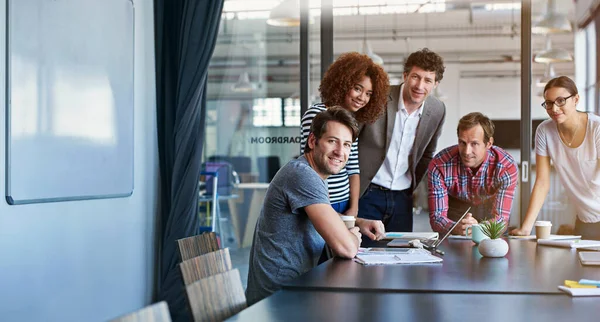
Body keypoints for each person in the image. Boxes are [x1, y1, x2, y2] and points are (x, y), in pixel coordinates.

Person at [247, 108, 386, 305]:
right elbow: (346, 248)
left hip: (294, 289)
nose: (340, 151)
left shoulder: (308, 173)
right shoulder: (302, 175)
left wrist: (359, 221)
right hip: (278, 299)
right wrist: (354, 237)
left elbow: (324, 215)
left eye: (346, 145)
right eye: (332, 141)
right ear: (313, 141)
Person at [358, 48, 446, 232]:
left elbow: (427, 154)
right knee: (361, 255)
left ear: (435, 84)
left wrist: (410, 188)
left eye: (428, 80)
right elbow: (352, 140)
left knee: (401, 256)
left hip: (402, 199)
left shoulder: (437, 110)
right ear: (405, 75)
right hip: (367, 192)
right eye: (415, 77)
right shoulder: (378, 97)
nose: (420, 86)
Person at [511, 76, 600, 239]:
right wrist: (526, 228)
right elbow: (542, 182)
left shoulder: (596, 128)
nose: (554, 108)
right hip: (585, 219)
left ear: (576, 99)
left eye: (560, 101)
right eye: (549, 103)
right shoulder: (544, 131)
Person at [300, 52, 389, 217]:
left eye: (369, 93)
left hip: (344, 202)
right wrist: (322, 203)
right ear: (342, 84)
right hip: (321, 201)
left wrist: (354, 208)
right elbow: (310, 165)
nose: (362, 98)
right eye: (357, 88)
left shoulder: (350, 121)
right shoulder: (316, 114)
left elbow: (353, 168)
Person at [428, 112, 518, 236]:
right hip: (455, 210)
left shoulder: (506, 166)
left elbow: (501, 220)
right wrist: (455, 227)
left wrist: (478, 229)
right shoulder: (439, 164)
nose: (466, 151)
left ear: (488, 144)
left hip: (489, 207)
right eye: (462, 143)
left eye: (474, 144)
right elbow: (437, 218)